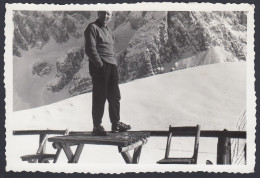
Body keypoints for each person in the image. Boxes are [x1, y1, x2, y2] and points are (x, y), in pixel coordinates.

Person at [84, 11, 131, 136]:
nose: (106, 16)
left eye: (109, 15)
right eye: (104, 13)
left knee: (115, 96)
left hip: (112, 65)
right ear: (98, 14)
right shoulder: (92, 27)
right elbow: (90, 48)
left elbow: (111, 49)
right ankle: (97, 126)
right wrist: (99, 64)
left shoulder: (109, 32)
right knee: (100, 96)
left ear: (111, 17)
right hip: (100, 65)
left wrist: (113, 64)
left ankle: (116, 123)